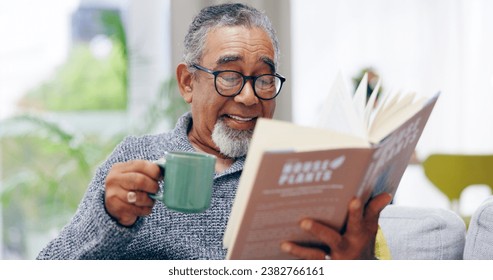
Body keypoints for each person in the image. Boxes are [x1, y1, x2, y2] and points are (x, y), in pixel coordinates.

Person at [37, 3, 391, 260]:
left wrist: (358, 262)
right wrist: (109, 217)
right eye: (230, 76)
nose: (249, 96)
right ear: (188, 82)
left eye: (264, 80)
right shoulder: (135, 158)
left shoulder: (310, 168)